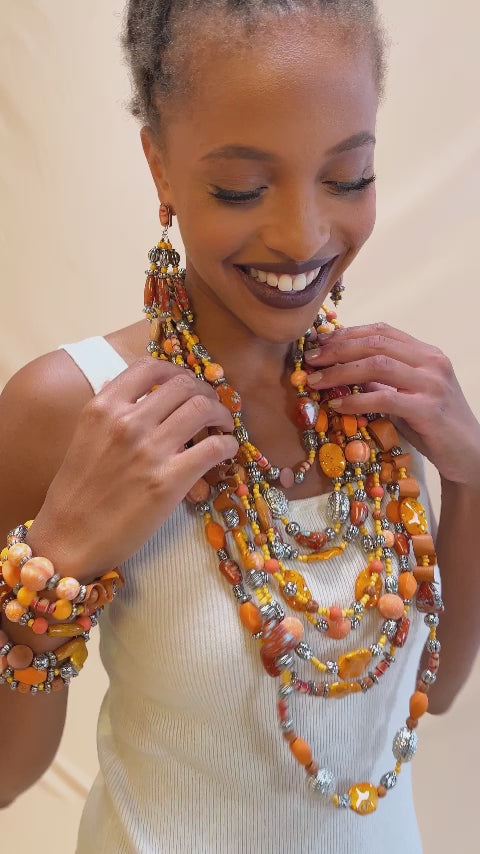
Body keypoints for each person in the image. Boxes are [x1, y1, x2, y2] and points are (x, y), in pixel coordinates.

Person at [1, 1, 479, 851]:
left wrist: (470, 473)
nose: (302, 235)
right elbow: (8, 775)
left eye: (349, 178)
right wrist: (52, 573)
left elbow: (433, 688)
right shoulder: (73, 408)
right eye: (241, 189)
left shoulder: (377, 401)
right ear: (160, 167)